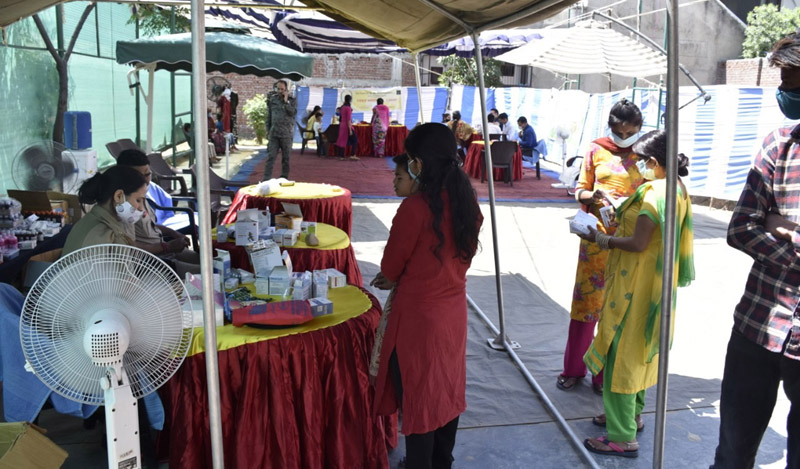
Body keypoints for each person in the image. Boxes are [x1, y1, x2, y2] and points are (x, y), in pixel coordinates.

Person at [709, 33, 800, 469]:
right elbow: (740, 228)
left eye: (792, 82)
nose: (785, 92)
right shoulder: (777, 145)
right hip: (756, 326)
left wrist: (784, 231)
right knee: (731, 454)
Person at [371, 123, 482, 468]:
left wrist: (394, 278)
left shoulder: (416, 208)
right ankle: (441, 461)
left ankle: (419, 463)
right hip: (452, 313)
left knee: (418, 397)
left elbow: (390, 268)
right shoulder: (466, 200)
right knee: (446, 391)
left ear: (418, 163)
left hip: (417, 320)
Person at [581, 130, 694, 458]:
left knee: (621, 359)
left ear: (655, 162)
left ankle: (621, 436)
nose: (640, 166)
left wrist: (601, 240)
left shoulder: (654, 193)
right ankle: (630, 415)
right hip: (654, 287)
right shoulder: (677, 189)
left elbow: (638, 242)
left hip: (635, 286)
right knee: (643, 353)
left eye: (643, 161)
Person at [557, 98, 645, 395]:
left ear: (639, 129)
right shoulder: (596, 149)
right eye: (618, 131)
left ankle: (603, 374)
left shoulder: (647, 153)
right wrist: (589, 196)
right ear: (610, 127)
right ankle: (573, 369)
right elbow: (579, 189)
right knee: (586, 306)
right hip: (595, 241)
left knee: (617, 309)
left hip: (631, 242)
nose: (623, 137)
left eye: (629, 131)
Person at [116, 149, 200, 276]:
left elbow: (151, 225)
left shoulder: (141, 193)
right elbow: (130, 247)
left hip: (164, 249)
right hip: (151, 262)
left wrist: (174, 233)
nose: (146, 181)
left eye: (148, 174)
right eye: (140, 176)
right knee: (206, 273)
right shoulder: (123, 205)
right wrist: (167, 247)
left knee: (209, 263)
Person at [62, 165, 148, 255]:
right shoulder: (104, 236)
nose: (141, 208)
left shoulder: (92, 221)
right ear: (118, 196)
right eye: (138, 200)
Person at [264, 79, 297, 180]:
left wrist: (286, 101)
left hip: (286, 134)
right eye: (278, 89)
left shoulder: (292, 100)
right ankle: (266, 179)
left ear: (286, 89)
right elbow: (269, 115)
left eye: (282, 89)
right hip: (274, 133)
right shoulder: (272, 99)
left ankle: (284, 178)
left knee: (286, 158)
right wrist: (268, 129)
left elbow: (292, 113)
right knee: (271, 157)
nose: (279, 91)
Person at [336, 95, 359, 160]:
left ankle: (341, 156)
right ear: (350, 100)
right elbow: (348, 119)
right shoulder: (348, 108)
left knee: (342, 140)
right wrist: (350, 129)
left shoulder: (342, 107)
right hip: (347, 125)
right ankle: (352, 154)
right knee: (355, 140)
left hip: (342, 125)